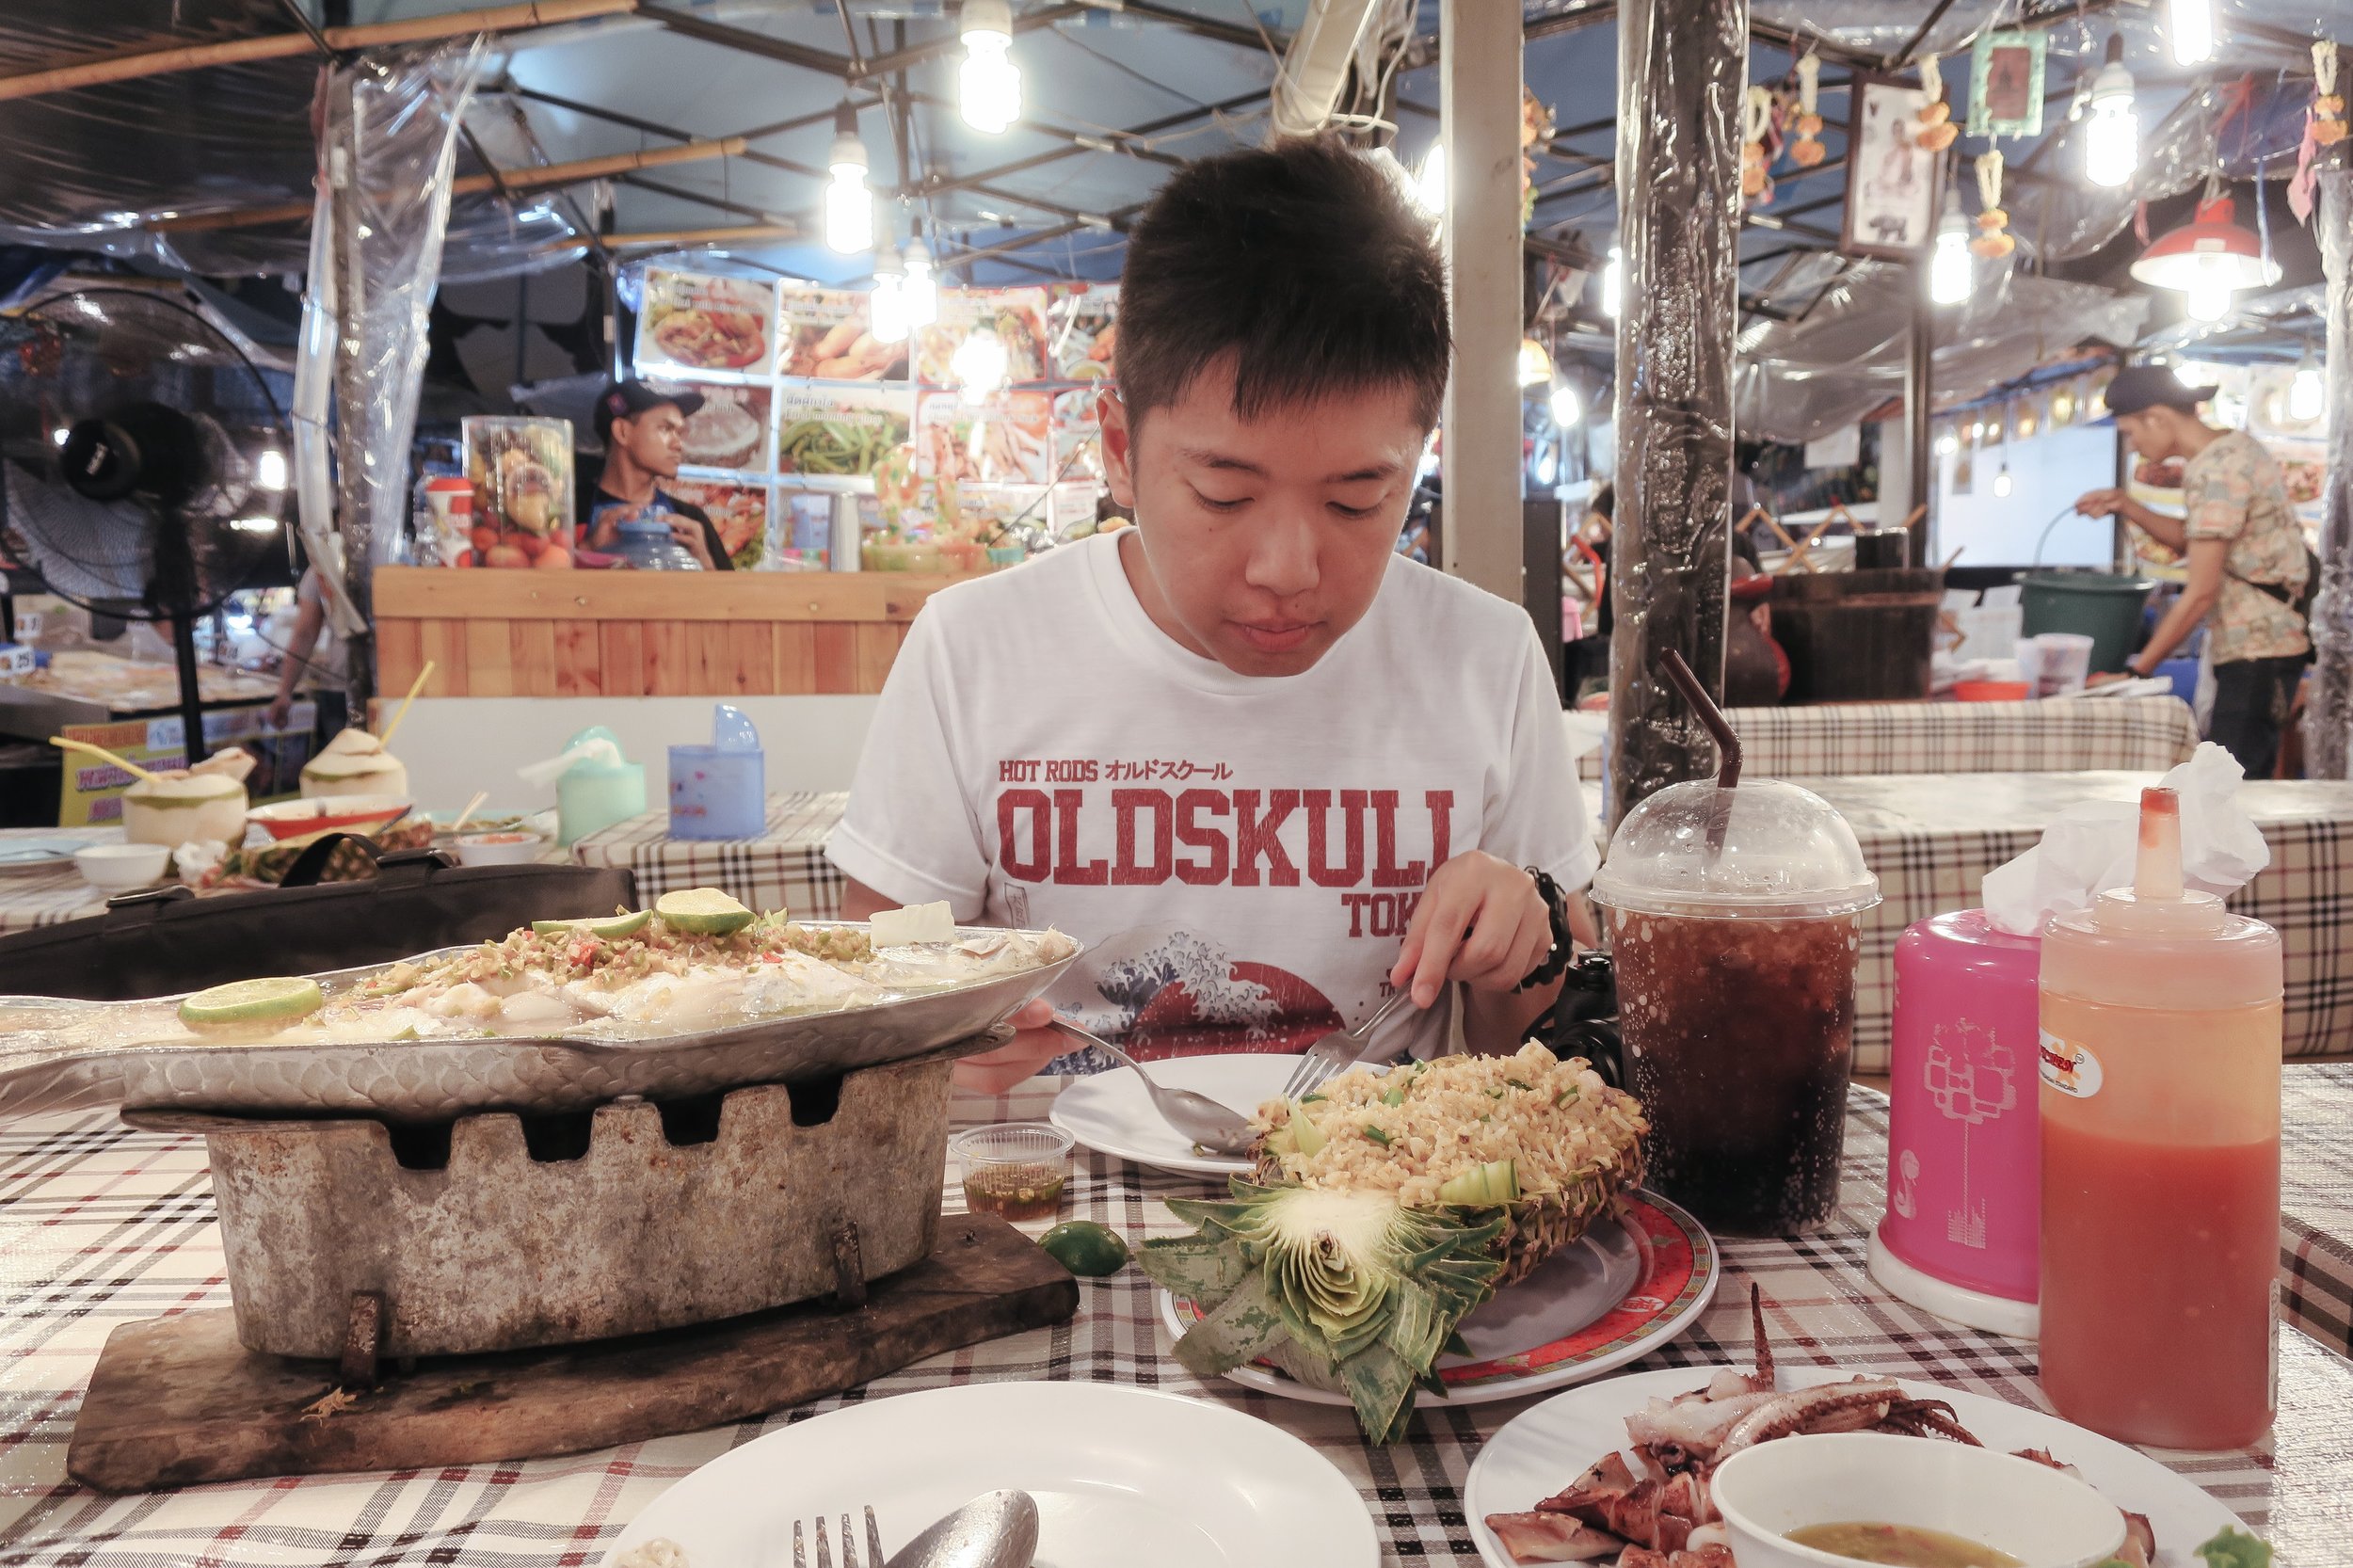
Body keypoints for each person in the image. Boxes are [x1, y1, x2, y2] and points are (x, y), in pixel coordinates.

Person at [827, 135, 1598, 1093]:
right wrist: (931, 1045)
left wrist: (1525, 945)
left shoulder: (1485, 657)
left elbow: (1540, 1053)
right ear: (1120, 450)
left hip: (1383, 1179)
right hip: (1047, 1181)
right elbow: (865, 1009)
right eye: (1225, 496)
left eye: (1357, 501)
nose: (1287, 570)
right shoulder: (975, 649)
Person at [2075, 363, 2311, 777]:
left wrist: (2136, 671)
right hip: (2257, 644)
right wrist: (2125, 505)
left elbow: (2200, 591)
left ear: (2157, 417)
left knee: (2230, 785)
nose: (2132, 446)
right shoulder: (2230, 450)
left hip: (2260, 647)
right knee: (2227, 779)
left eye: (2130, 432)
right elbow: (2197, 541)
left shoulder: (2216, 468)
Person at [578, 380, 733, 571]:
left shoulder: (691, 520)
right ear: (622, 432)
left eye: (679, 433)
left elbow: (729, 591)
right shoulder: (571, 510)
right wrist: (588, 549)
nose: (678, 444)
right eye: (665, 429)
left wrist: (703, 562)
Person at [265, 564, 348, 740]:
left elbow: (305, 633)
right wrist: (285, 692)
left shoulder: (322, 564)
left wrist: (285, 692)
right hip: (340, 689)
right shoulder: (321, 565)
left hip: (355, 688)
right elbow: (305, 634)